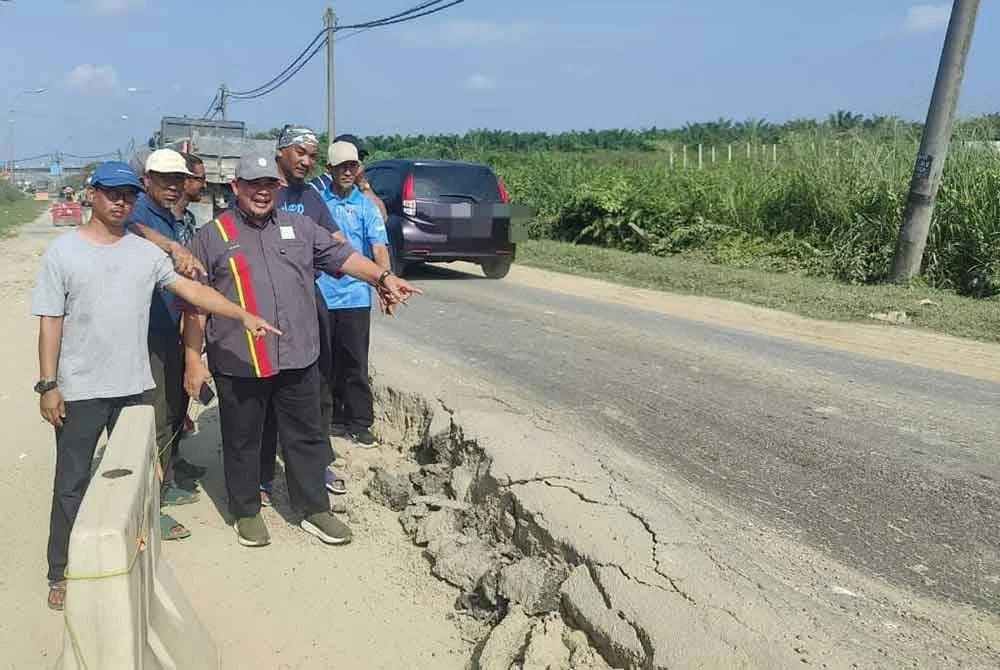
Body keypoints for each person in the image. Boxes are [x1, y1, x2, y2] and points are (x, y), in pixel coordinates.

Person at [32, 161, 278, 611]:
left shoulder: (145, 254)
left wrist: (240, 314)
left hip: (134, 389)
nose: (120, 202)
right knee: (71, 483)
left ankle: (131, 552)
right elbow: (51, 322)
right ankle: (61, 569)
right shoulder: (63, 254)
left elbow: (191, 292)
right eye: (112, 193)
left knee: (140, 480)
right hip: (80, 390)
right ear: (93, 195)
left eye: (126, 194)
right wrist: (49, 384)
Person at [181, 152, 421, 548]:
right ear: (236, 188)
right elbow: (195, 303)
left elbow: (343, 258)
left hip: (297, 355)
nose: (261, 192)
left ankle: (314, 508)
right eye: (252, 185)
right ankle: (246, 512)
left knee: (306, 435)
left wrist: (383, 277)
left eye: (268, 185)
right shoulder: (211, 237)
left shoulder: (300, 227)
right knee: (243, 439)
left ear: (277, 188)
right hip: (239, 361)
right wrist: (193, 359)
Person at [258, 125, 348, 505]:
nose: (307, 161)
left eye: (312, 156)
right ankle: (259, 473)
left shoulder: (311, 195)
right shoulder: (260, 190)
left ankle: (317, 462)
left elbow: (336, 239)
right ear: (281, 152)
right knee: (263, 388)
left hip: (306, 299)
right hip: (263, 304)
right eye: (300, 152)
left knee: (316, 383)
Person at [125, 149, 204, 538]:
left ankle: (167, 478)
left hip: (169, 328)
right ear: (147, 181)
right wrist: (172, 247)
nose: (172, 186)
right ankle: (149, 507)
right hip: (145, 333)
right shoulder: (138, 210)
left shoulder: (172, 216)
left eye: (178, 179)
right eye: (164, 179)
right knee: (152, 418)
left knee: (174, 408)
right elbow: (134, 232)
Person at [317, 141, 391, 446]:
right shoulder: (318, 204)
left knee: (354, 360)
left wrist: (384, 284)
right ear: (329, 169)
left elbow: (378, 248)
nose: (347, 171)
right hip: (321, 292)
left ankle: (360, 421)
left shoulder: (365, 206)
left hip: (355, 296)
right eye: (341, 166)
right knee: (324, 360)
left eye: (352, 166)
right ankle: (329, 417)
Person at [311, 133, 388, 221]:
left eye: (359, 159)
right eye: (344, 163)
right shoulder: (318, 186)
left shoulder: (359, 188)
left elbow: (381, 217)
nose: (349, 171)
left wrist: (362, 184)